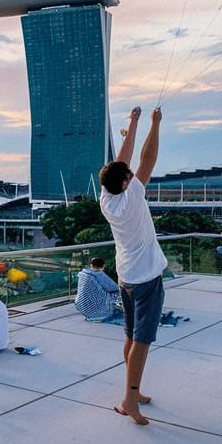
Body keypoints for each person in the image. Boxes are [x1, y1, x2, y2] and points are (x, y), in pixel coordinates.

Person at [98, 106, 166, 426]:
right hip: (146, 279)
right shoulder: (132, 197)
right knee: (141, 341)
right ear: (127, 182)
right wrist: (155, 124)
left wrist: (133, 122)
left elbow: (124, 162)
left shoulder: (107, 198)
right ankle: (129, 399)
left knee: (129, 335)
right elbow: (146, 160)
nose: (131, 174)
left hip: (125, 276)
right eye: (128, 175)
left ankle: (132, 391)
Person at [75, 257, 122, 321]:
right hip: (97, 307)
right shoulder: (99, 274)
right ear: (103, 266)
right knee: (118, 293)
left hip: (81, 305)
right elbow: (113, 288)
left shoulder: (83, 274)